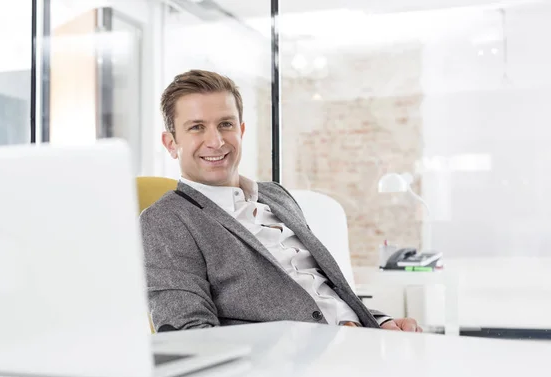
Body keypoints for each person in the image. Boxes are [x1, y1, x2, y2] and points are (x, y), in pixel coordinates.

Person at [141, 69, 421, 333]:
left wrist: (380, 323)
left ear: (241, 130)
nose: (215, 141)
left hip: (361, 340)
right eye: (197, 127)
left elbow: (318, 292)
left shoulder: (276, 195)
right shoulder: (166, 220)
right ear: (170, 143)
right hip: (287, 368)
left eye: (225, 124)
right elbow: (190, 335)